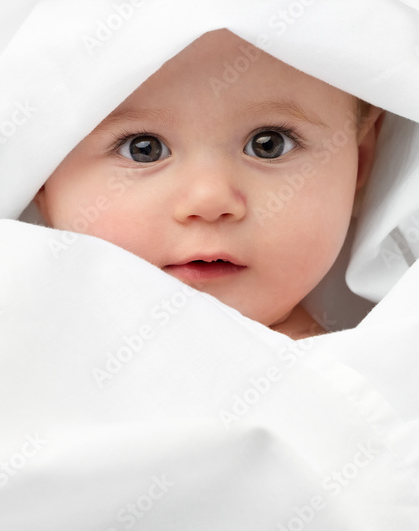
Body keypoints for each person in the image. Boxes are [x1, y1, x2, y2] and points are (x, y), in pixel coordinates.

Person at [33, 28, 382, 339]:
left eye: (268, 144)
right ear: (41, 181)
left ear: (360, 162)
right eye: (144, 149)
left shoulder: (371, 391)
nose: (210, 200)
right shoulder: (5, 346)